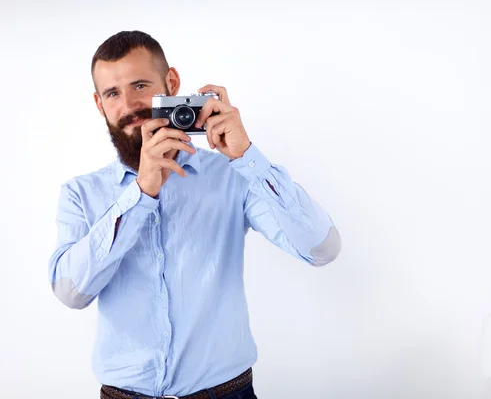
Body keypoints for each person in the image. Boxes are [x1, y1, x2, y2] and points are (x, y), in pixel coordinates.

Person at [47, 30, 341, 399]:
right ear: (98, 103)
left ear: (171, 83)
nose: (129, 105)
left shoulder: (232, 176)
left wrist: (247, 155)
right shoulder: (80, 193)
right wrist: (140, 193)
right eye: (112, 93)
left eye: (140, 85)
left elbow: (322, 249)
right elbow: (71, 291)